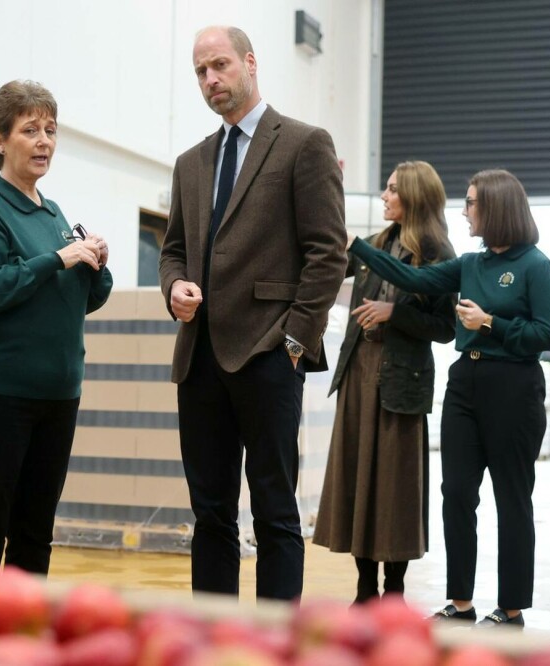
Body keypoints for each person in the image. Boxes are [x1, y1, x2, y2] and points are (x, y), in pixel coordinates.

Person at [158, 26, 347, 601]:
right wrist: (175, 287)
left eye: (220, 65)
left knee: (274, 512)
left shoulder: (302, 143)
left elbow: (328, 253)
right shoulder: (190, 163)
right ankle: (213, 638)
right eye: (200, 71)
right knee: (211, 514)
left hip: (269, 354)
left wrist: (294, 343)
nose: (211, 79)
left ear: (250, 63)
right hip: (200, 359)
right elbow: (172, 250)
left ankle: (275, 643)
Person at [347, 169, 550, 628]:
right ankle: (460, 603)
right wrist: (354, 245)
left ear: (496, 208)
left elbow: (547, 334)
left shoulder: (537, 267)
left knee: (511, 498)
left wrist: (490, 322)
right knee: (457, 493)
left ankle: (511, 608)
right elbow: (411, 278)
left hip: (515, 387)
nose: (463, 212)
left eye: (470, 203)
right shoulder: (470, 264)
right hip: (466, 384)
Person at [0, 80, 113, 574]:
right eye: (30, 130)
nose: (44, 141)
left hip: (58, 398)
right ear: (0, 139)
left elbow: (85, 299)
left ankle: (21, 642)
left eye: (51, 130)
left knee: (34, 534)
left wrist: (96, 266)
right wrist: (55, 260)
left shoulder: (56, 213)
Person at [313, 161, 456, 604]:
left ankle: (393, 590)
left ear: (413, 196)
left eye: (392, 190)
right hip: (358, 372)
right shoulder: (376, 244)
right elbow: (334, 256)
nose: (384, 196)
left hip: (400, 381)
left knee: (396, 488)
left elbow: (445, 327)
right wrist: (329, 189)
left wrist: (397, 314)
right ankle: (363, 588)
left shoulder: (438, 254)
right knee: (358, 481)